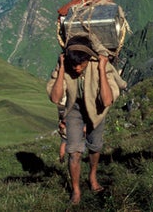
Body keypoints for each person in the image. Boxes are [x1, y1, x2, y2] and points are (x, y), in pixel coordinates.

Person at [47, 35, 125, 204]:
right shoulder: (65, 66)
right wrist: (61, 69)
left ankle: (92, 176)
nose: (76, 68)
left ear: (88, 59)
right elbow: (55, 97)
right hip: (74, 109)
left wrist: (102, 69)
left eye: (80, 64)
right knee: (74, 151)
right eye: (72, 64)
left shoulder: (99, 65)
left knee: (95, 146)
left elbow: (106, 101)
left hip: (97, 109)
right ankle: (76, 190)